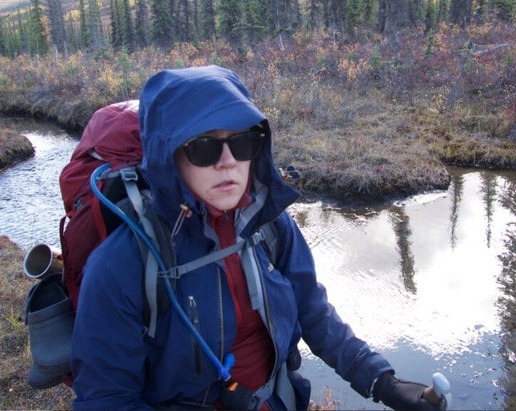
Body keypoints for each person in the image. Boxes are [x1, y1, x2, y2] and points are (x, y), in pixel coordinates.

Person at [70, 65, 443, 411]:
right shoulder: (123, 265)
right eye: (203, 147)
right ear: (168, 157)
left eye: (243, 142)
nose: (228, 160)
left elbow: (312, 310)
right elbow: (108, 399)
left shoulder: (269, 227)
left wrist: (381, 381)